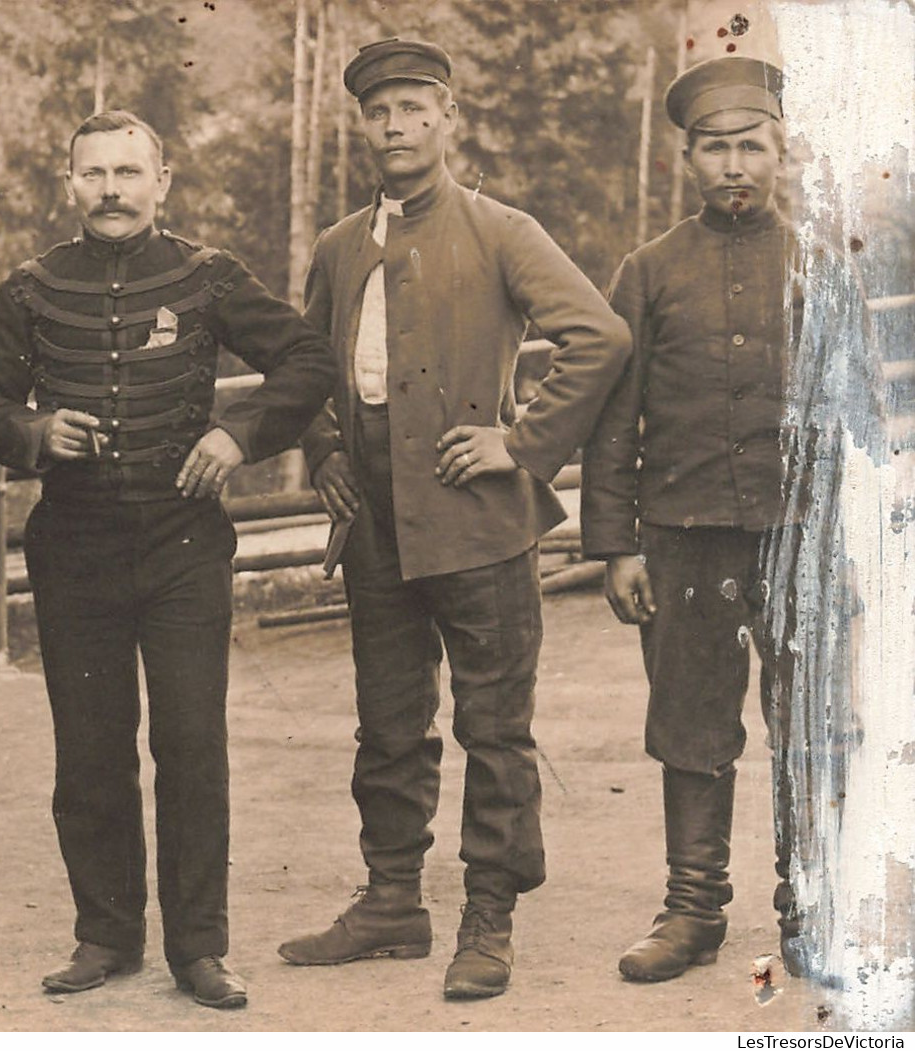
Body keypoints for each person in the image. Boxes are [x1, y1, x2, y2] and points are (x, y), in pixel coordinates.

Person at [0, 109, 335, 1011]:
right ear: (70, 183)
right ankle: (105, 936)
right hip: (74, 549)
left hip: (183, 546)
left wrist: (238, 436)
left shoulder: (205, 277)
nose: (113, 191)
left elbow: (305, 358)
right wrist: (36, 431)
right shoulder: (33, 286)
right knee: (89, 749)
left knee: (191, 745)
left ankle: (198, 948)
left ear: (162, 183)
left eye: (130, 173)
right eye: (95, 175)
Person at [276, 39, 631, 1000]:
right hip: (378, 529)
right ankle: (391, 901)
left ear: (445, 118)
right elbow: (308, 366)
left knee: (492, 725)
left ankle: (489, 915)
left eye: (410, 108)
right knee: (388, 723)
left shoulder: (498, 228)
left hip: (477, 525)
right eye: (377, 112)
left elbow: (598, 337)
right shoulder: (340, 245)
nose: (393, 127)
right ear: (363, 126)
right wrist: (325, 453)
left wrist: (517, 443)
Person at [580, 57, 804, 982]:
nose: (734, 165)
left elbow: (870, 411)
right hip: (681, 533)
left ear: (780, 153)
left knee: (808, 723)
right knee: (689, 720)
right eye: (715, 148)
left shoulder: (821, 260)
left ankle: (812, 905)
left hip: (806, 538)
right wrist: (615, 544)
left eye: (750, 145)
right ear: (687, 159)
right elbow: (611, 417)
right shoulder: (648, 270)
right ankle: (692, 908)